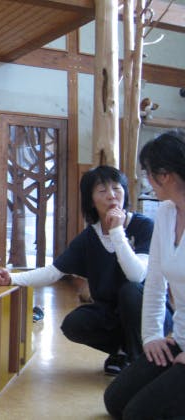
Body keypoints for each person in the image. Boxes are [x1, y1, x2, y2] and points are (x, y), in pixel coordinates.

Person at [0, 165, 172, 375]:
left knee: (130, 291)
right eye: (102, 190)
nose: (112, 195)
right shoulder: (88, 238)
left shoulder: (144, 226)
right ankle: (122, 350)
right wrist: (11, 278)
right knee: (74, 324)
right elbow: (53, 271)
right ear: (91, 201)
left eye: (117, 188)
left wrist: (116, 231)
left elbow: (136, 275)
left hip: (151, 314)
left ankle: (138, 359)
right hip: (111, 315)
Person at [104, 130, 185, 419]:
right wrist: (152, 336)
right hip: (180, 338)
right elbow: (154, 281)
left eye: (147, 173)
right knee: (116, 401)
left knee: (139, 414)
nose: (145, 180)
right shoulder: (166, 213)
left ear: (165, 175)